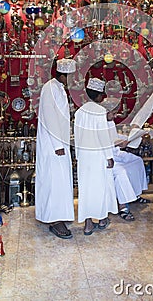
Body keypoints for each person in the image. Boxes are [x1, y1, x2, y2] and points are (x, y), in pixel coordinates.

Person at [35, 58, 76, 239]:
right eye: (72, 76)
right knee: (54, 182)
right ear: (63, 75)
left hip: (60, 142)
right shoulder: (50, 88)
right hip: (54, 145)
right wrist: (58, 145)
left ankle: (60, 215)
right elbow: (50, 118)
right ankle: (54, 221)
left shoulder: (59, 88)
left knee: (61, 181)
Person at [74, 78, 118, 235]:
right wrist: (109, 156)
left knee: (86, 190)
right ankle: (102, 219)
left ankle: (88, 224)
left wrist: (78, 156)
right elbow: (103, 136)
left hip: (84, 157)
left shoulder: (80, 111)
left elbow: (77, 136)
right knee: (100, 188)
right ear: (99, 95)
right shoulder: (100, 112)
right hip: (98, 155)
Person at [103, 98, 149, 222]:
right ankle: (123, 207)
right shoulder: (98, 123)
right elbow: (103, 142)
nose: (115, 116)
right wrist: (119, 143)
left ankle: (135, 195)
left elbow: (115, 137)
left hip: (116, 153)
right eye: (113, 113)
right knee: (120, 172)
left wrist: (130, 138)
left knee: (137, 161)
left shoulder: (110, 122)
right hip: (105, 157)